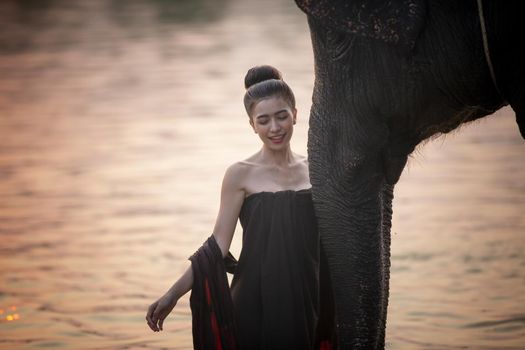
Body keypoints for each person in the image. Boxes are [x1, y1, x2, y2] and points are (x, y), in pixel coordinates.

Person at [146, 65, 336, 349]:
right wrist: (174, 294)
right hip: (254, 298)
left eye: (282, 116)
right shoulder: (240, 174)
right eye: (264, 120)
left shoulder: (317, 171)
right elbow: (216, 247)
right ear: (252, 125)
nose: (275, 128)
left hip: (308, 297)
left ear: (295, 115)